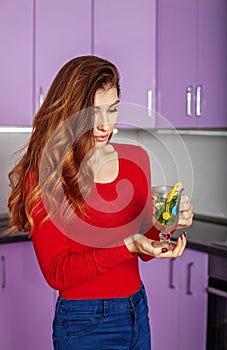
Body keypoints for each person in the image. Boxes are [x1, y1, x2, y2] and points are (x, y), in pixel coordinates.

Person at [7, 55, 193, 350]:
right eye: (94, 112)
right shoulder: (46, 174)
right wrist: (127, 246)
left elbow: (146, 247)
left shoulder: (136, 159)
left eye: (113, 109)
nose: (105, 124)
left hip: (137, 310)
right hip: (84, 323)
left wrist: (168, 223)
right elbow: (58, 273)